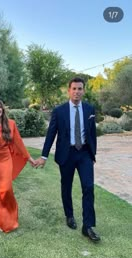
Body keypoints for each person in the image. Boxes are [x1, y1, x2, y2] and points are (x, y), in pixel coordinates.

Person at [35, 77, 101, 243]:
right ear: (68, 90)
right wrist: (43, 156)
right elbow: (51, 134)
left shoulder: (89, 109)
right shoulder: (59, 111)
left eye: (80, 89)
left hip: (85, 153)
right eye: (74, 89)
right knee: (67, 186)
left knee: (88, 187)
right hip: (67, 154)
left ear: (83, 91)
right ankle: (69, 215)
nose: (77, 92)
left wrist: (93, 154)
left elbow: (92, 133)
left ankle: (88, 226)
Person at [0, 99, 36, 233]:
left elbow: (19, 143)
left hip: (5, 159)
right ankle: (1, 221)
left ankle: (10, 219)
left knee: (6, 190)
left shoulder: (11, 124)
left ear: (3, 109)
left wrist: (29, 158)